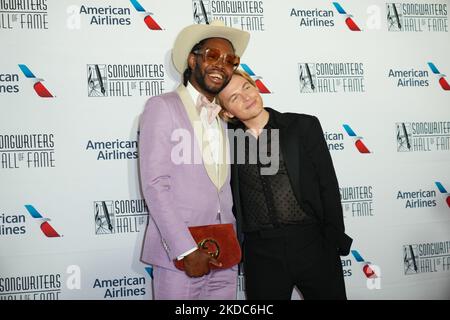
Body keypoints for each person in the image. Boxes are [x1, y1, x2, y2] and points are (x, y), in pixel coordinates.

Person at [217, 70, 353, 300]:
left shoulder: (301, 126)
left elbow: (327, 184)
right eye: (234, 98)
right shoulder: (226, 141)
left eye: (246, 87)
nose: (246, 97)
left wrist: (333, 239)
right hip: (261, 254)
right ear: (227, 112)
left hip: (312, 243)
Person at [138, 21, 250, 300]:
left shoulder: (224, 118)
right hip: (181, 256)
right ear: (192, 59)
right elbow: (155, 184)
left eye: (230, 61)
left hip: (224, 253)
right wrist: (186, 249)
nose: (221, 65)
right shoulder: (162, 106)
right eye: (213, 55)